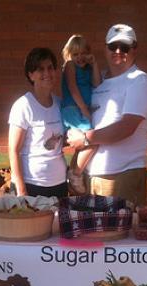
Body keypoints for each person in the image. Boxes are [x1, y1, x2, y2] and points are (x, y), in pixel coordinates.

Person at [66, 24, 147, 206]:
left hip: (121, 177)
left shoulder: (139, 81)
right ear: (105, 48)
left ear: (135, 49)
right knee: (94, 234)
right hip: (91, 177)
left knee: (119, 234)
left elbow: (126, 127)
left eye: (124, 47)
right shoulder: (102, 81)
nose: (118, 51)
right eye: (112, 46)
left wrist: (85, 138)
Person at [8, 47, 68, 198]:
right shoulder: (23, 105)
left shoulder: (60, 104)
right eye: (40, 69)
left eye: (50, 68)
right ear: (31, 74)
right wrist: (21, 190)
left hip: (59, 184)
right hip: (31, 185)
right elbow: (13, 150)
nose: (47, 73)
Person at [60, 34, 101, 195]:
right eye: (75, 54)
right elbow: (72, 88)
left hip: (80, 109)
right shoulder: (70, 66)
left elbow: (97, 83)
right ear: (69, 55)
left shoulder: (88, 68)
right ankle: (76, 173)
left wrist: (95, 63)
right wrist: (85, 110)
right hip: (73, 109)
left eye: (83, 53)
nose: (79, 58)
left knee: (83, 143)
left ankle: (73, 172)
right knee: (93, 140)